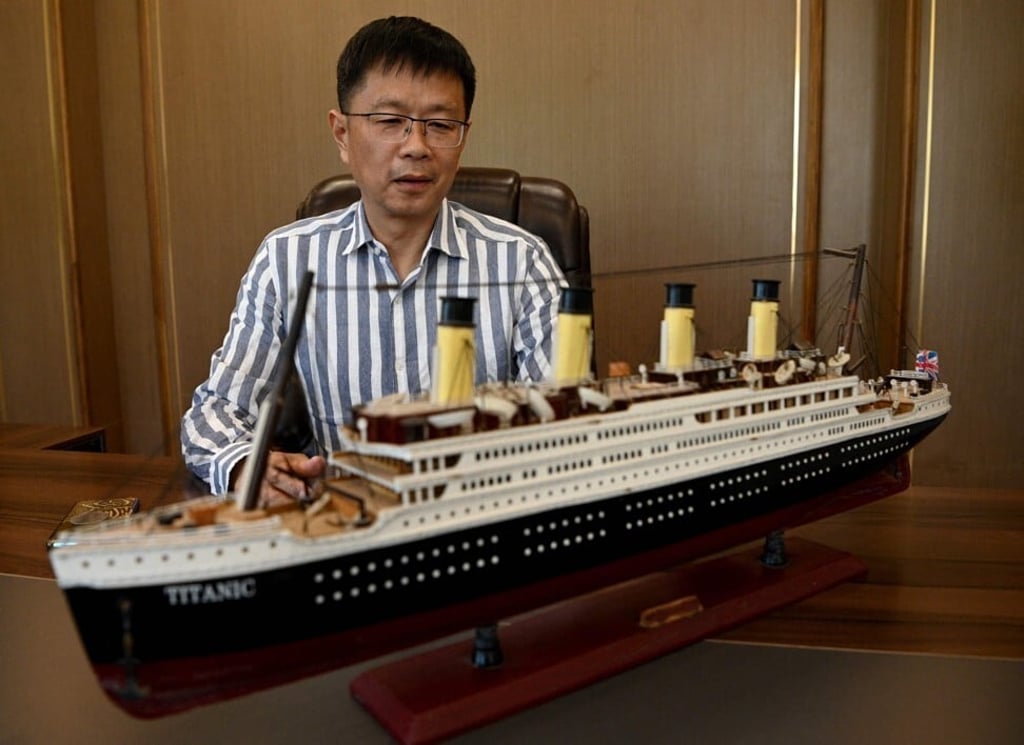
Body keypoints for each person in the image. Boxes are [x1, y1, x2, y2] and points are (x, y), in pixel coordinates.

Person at [181, 16, 566, 507]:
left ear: (463, 136)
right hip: (346, 523)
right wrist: (242, 465)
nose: (416, 147)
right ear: (341, 133)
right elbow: (217, 410)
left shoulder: (522, 261)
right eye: (390, 122)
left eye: (441, 125)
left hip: (484, 517)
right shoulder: (287, 259)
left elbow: (563, 420)